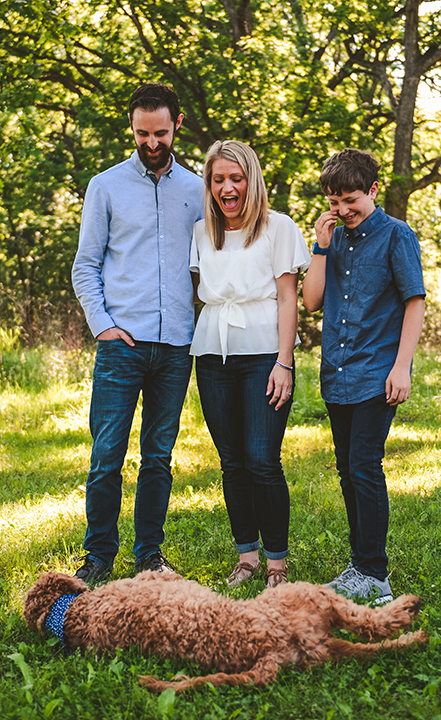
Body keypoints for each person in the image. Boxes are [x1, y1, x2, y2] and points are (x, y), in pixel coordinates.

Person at [70, 83, 205, 585]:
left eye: (161, 133)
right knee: (106, 455)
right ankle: (98, 556)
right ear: (132, 127)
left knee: (158, 457)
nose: (152, 142)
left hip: (176, 347)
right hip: (121, 345)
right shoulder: (105, 186)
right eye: (142, 133)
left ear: (178, 126)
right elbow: (85, 265)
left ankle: (149, 553)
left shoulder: (197, 191)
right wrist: (102, 326)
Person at [302, 148, 426, 604]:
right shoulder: (331, 239)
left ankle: (375, 573)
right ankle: (360, 565)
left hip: (378, 373)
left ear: (372, 191)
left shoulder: (397, 236)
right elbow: (311, 302)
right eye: (335, 201)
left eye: (351, 199)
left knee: (364, 465)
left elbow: (415, 302)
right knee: (347, 472)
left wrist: (401, 367)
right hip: (338, 373)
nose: (343, 210)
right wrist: (319, 247)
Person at [190, 140, 311, 589]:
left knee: (263, 460)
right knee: (232, 462)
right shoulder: (203, 231)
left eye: (235, 178)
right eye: (218, 179)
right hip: (214, 357)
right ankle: (247, 558)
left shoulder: (278, 228)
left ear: (251, 181)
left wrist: (285, 362)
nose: (227, 187)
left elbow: (286, 298)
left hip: (264, 355)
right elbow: (197, 291)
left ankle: (277, 564)